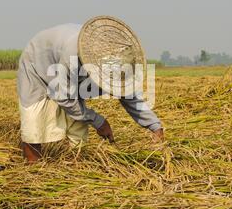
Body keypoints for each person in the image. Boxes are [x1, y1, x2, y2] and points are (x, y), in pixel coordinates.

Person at [17, 16, 163, 163]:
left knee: (78, 123)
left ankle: (74, 167)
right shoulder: (72, 55)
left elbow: (129, 96)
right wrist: (99, 121)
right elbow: (64, 97)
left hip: (70, 75)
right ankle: (33, 168)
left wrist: (155, 126)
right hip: (37, 64)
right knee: (34, 123)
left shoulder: (116, 58)